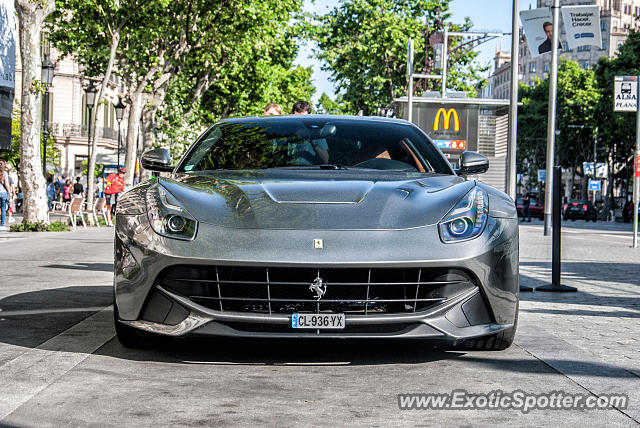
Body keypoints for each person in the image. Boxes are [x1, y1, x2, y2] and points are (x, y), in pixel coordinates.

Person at [0, 161, 10, 231]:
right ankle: (2, 225)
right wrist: (9, 192)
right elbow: (6, 184)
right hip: (3, 193)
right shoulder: (5, 173)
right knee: (3, 209)